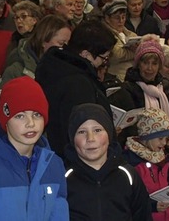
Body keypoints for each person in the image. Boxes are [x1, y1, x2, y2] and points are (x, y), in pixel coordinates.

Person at [0, 76, 69, 220]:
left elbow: (59, 214)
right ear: (6, 121)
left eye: (37, 115)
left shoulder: (54, 165)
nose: (30, 123)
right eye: (20, 116)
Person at [35, 20, 116, 157]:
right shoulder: (78, 84)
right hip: (79, 158)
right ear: (85, 54)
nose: (104, 62)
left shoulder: (56, 67)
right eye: (104, 58)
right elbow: (79, 127)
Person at [64, 103, 152, 220]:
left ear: (109, 134)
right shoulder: (64, 177)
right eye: (81, 132)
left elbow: (143, 215)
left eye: (97, 130)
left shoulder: (128, 175)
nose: (90, 138)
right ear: (73, 139)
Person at [109, 37, 169, 142]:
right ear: (138, 64)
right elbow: (129, 128)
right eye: (145, 63)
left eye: (154, 64)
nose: (150, 68)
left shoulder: (165, 86)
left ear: (159, 66)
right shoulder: (127, 89)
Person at [123, 108, 169, 221]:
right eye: (160, 138)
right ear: (147, 136)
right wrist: (153, 205)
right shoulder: (130, 161)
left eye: (166, 138)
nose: (164, 143)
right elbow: (128, 197)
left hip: (168, 216)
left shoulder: (165, 157)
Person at [2, 14, 71, 86]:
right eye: (61, 43)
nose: (65, 49)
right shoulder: (15, 72)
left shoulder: (66, 69)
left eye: (68, 44)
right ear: (43, 41)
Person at [103, 0, 138, 81]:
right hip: (117, 78)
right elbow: (115, 55)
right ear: (107, 19)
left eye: (123, 17)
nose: (121, 21)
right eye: (117, 18)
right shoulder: (105, 35)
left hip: (135, 76)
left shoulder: (131, 34)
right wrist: (135, 51)